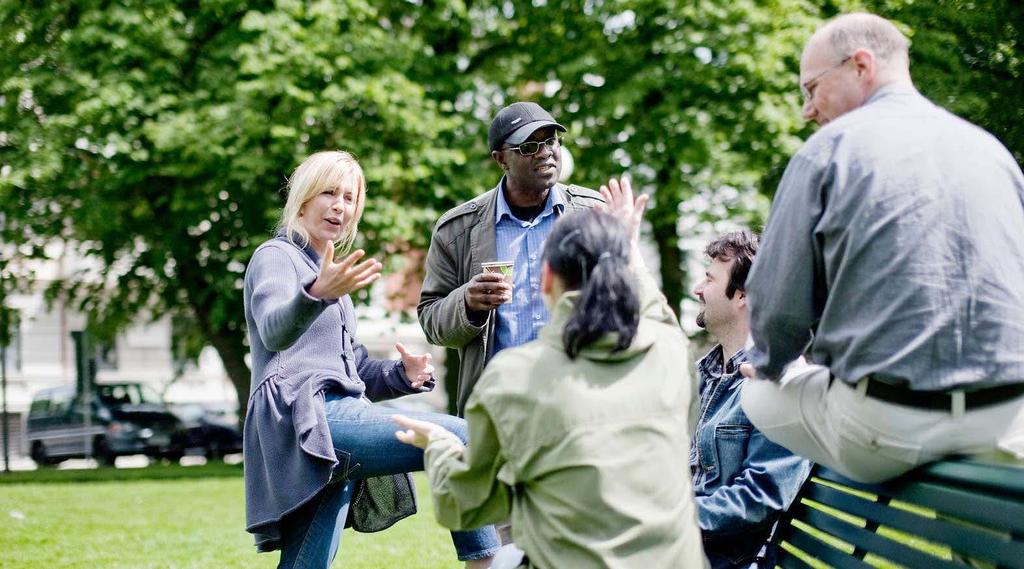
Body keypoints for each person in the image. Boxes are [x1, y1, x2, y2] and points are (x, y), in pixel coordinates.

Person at [739, 12, 1024, 484]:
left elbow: (776, 314)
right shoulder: (993, 152)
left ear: (861, 65)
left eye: (811, 89)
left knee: (756, 394)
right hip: (1007, 416)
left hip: (889, 427)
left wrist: (770, 363)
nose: (808, 110)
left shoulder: (826, 151)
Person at [395, 179, 708, 569]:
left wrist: (442, 446)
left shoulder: (513, 376)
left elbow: (464, 505)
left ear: (546, 280)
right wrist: (625, 247)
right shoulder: (671, 352)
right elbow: (658, 313)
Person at [242, 151, 499, 569]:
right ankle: (484, 562)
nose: (340, 205)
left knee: (307, 562)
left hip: (333, 419)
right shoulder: (276, 256)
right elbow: (274, 330)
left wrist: (402, 374)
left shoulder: (330, 276)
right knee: (461, 438)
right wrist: (316, 294)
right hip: (307, 417)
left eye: (349, 197)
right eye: (329, 193)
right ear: (303, 199)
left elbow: (353, 371)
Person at [418, 101, 604, 416]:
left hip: (581, 399)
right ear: (501, 159)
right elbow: (431, 320)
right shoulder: (458, 229)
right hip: (501, 408)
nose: (545, 152)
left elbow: (630, 301)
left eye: (551, 141)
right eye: (530, 146)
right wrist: (468, 303)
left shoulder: (595, 213)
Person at [689, 231, 811, 568]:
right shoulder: (707, 374)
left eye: (710, 279)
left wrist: (668, 520)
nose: (696, 289)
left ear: (742, 295)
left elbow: (761, 496)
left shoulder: (779, 381)